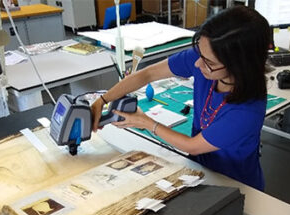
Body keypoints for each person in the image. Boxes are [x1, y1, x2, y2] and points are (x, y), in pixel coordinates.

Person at [91, 6, 272, 190]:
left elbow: (192, 146)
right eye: (200, 54)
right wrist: (102, 101)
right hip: (198, 171)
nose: (197, 63)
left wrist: (146, 122)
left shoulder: (248, 110)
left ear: (239, 64)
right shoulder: (206, 58)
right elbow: (147, 74)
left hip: (234, 184)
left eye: (208, 62)